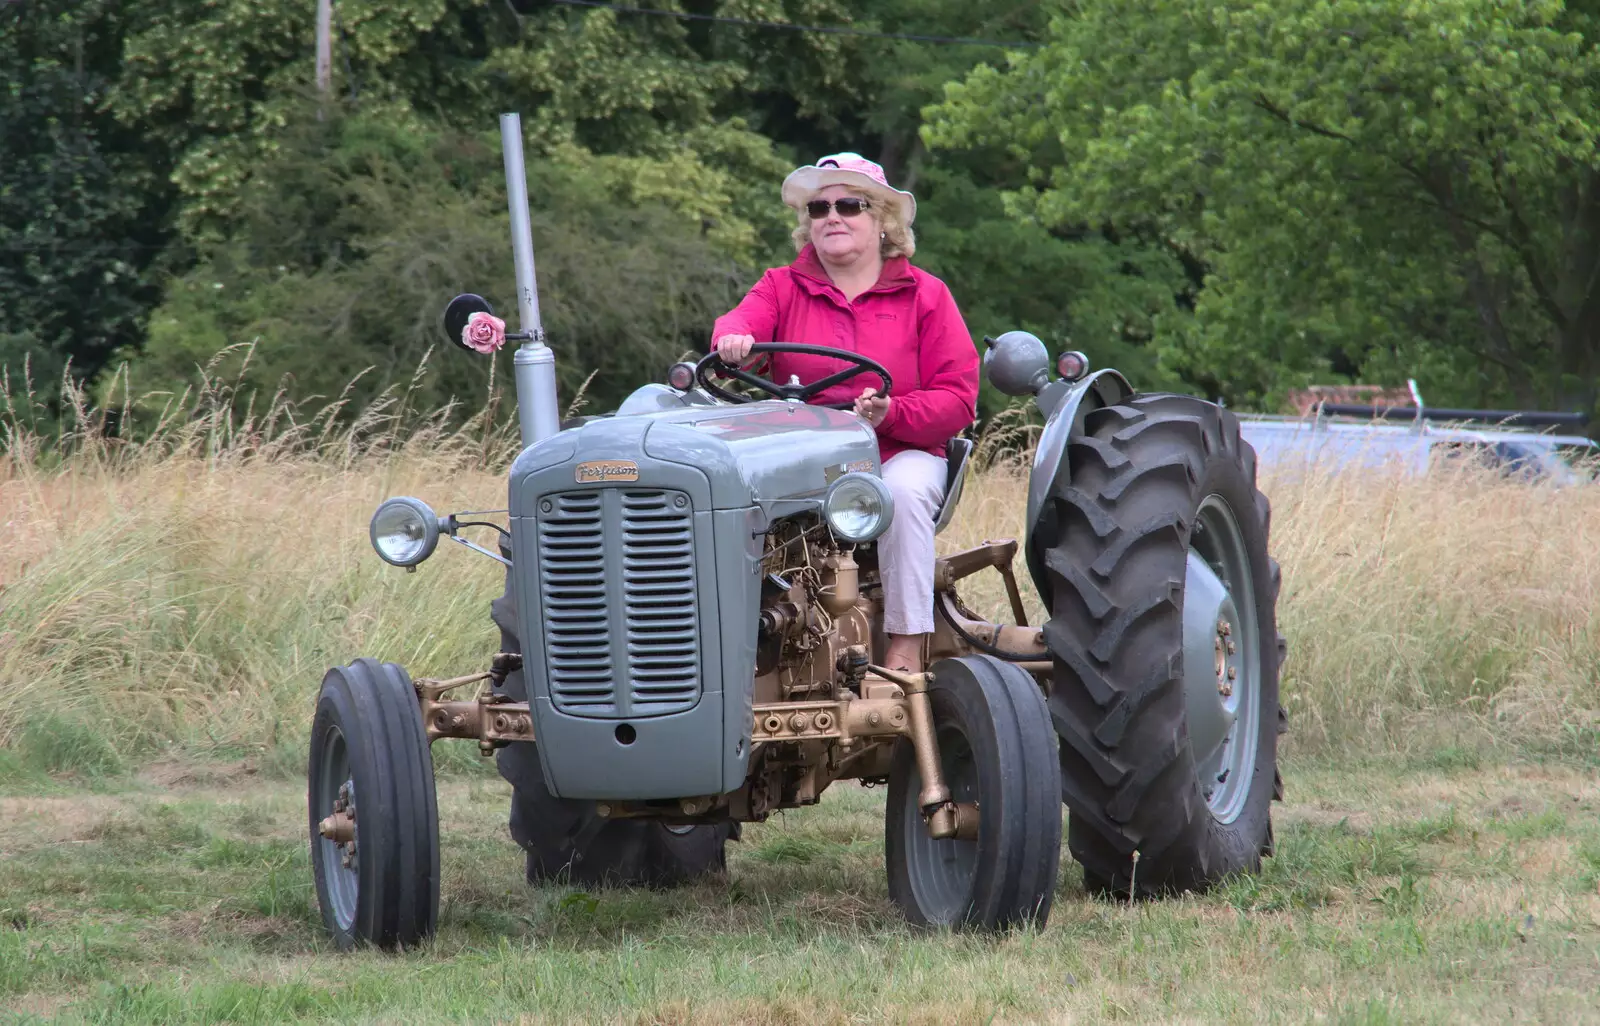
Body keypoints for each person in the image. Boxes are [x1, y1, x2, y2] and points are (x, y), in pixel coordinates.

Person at [710, 152, 980, 674]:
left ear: (883, 221)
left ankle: (904, 646)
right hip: (796, 460)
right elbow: (741, 321)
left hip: (896, 452)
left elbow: (958, 398)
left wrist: (892, 413)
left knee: (899, 494)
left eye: (849, 205)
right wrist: (733, 339)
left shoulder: (927, 295)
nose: (831, 216)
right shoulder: (781, 287)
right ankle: (730, 647)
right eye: (818, 208)